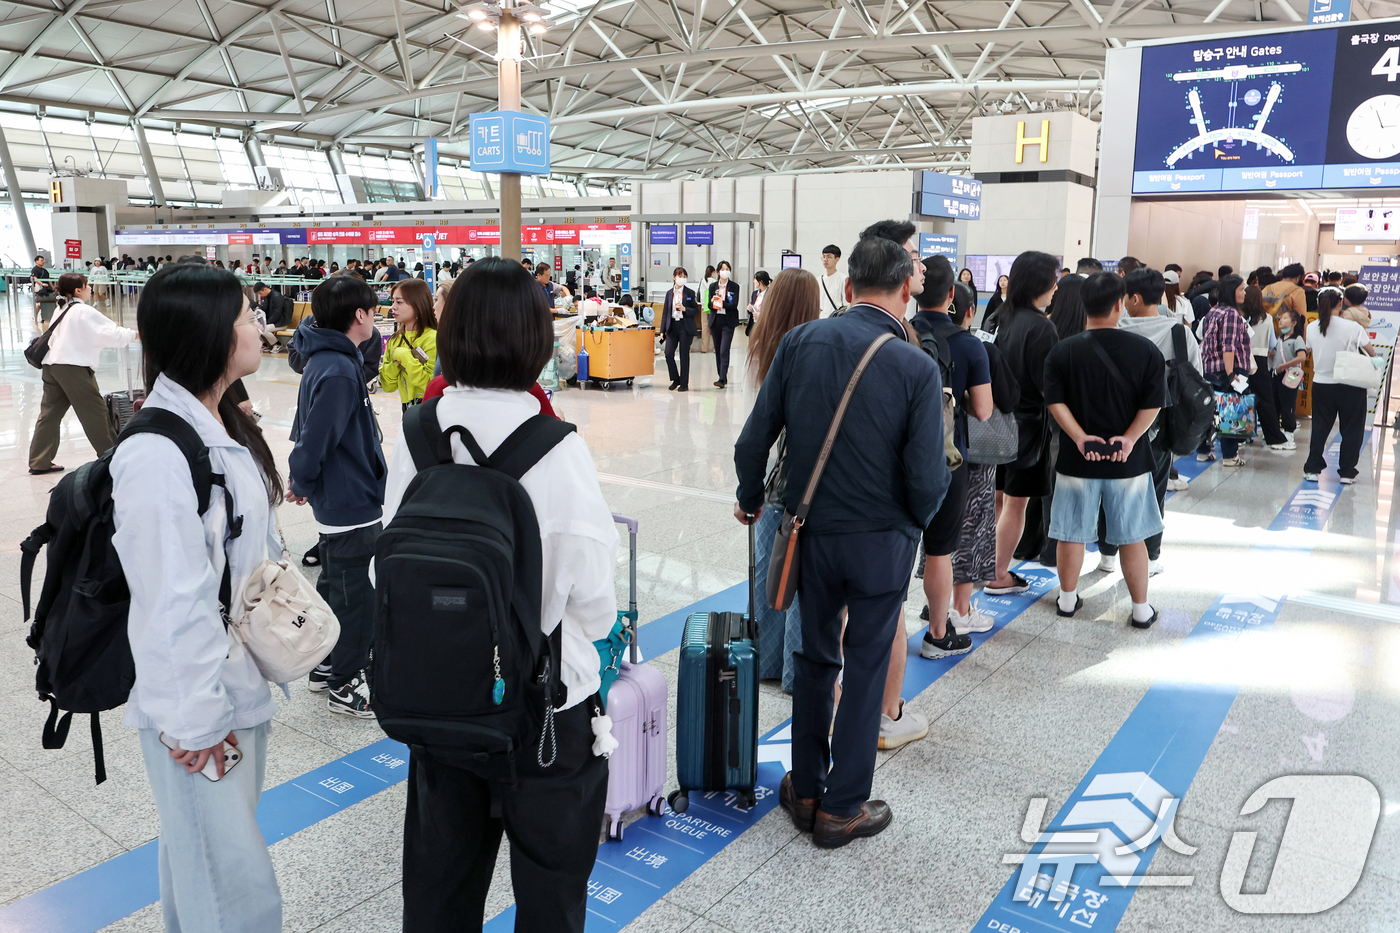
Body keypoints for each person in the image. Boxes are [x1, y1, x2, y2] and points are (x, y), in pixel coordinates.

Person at [389, 256, 617, 933]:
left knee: (438, 892)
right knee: (550, 894)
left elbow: (387, 570)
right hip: (541, 715)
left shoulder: (416, 431)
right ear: (534, 338)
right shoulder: (555, 446)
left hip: (439, 704)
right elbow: (596, 600)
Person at [734, 233, 947, 848]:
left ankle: (805, 790)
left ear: (848, 288)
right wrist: (910, 525)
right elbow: (928, 477)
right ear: (906, 290)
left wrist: (752, 500)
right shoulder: (916, 366)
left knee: (815, 657)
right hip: (881, 543)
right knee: (866, 664)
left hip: (810, 533)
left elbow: (754, 440)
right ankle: (842, 807)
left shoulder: (801, 342)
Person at [111, 262, 284, 933]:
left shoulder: (216, 419)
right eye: (246, 315)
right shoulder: (157, 451)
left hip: (232, 686)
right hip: (198, 710)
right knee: (233, 890)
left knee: (201, 867)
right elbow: (170, 599)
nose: (258, 326)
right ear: (209, 332)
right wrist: (197, 722)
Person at [286, 275, 387, 715]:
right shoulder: (341, 369)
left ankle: (326, 664)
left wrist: (306, 480)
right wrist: (302, 479)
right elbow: (317, 436)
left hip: (339, 493)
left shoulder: (324, 359)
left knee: (333, 583)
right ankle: (346, 683)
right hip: (349, 498)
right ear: (359, 316)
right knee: (354, 595)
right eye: (373, 309)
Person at [1044, 272, 1164, 628]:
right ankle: (1141, 609)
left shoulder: (1062, 351)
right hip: (1129, 461)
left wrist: (1080, 437)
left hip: (1076, 458)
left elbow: (1055, 403)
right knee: (1132, 535)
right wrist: (1128, 438)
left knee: (1071, 531)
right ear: (1118, 305)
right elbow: (1153, 404)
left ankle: (1067, 601)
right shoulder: (1145, 350)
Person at [910, 257, 993, 672]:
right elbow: (982, 410)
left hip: (895, 459)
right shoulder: (969, 343)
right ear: (951, 298)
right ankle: (938, 634)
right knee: (940, 549)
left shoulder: (898, 332)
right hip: (947, 457)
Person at [746, 267, 821, 694]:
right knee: (802, 583)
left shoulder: (763, 348)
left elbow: (753, 429)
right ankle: (796, 674)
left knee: (770, 578)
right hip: (804, 482)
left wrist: (748, 490)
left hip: (772, 482)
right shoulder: (813, 350)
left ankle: (765, 664)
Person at [1104, 267, 1202, 575]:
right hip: (1160, 424)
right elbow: (1195, 376)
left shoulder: (1112, 330)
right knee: (1155, 490)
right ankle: (1152, 555)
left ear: (1132, 298)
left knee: (1110, 488)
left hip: (1114, 421)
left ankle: (1108, 553)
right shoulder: (1178, 332)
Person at [985, 252, 1061, 596]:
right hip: (1027, 427)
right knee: (1017, 504)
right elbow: (1049, 388)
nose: (1055, 287)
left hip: (992, 421)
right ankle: (999, 574)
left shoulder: (999, 318)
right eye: (1052, 280)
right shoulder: (1042, 327)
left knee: (998, 501)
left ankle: (988, 563)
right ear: (1038, 283)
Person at [948, 281, 1016, 635]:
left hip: (926, 452)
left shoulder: (911, 339)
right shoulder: (977, 348)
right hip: (970, 453)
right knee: (971, 528)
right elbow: (995, 403)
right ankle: (960, 610)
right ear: (970, 311)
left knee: (936, 533)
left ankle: (936, 600)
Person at [27, 272, 137, 475]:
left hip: (52, 365)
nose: (91, 289)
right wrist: (135, 334)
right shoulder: (83, 311)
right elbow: (110, 333)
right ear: (78, 290)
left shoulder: (61, 308)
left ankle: (39, 460)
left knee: (49, 414)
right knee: (95, 413)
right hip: (73, 368)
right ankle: (112, 456)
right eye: (87, 286)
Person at [1304, 288, 1375, 485]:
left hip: (1321, 385)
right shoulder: (1352, 328)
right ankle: (1346, 471)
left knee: (1319, 426)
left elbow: (1308, 348)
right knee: (1352, 428)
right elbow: (1371, 352)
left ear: (1319, 303)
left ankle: (1312, 469)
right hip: (1350, 385)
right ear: (1341, 302)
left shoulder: (1311, 328)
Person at [1196, 275, 1252, 467]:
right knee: (1231, 410)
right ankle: (1230, 455)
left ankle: (1203, 451)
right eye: (1241, 290)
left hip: (1209, 368)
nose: (1244, 293)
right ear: (1231, 292)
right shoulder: (1231, 314)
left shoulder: (1214, 311)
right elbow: (1228, 346)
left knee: (1209, 411)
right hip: (1228, 370)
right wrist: (1231, 374)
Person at [1242, 284, 1288, 450]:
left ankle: (1241, 434)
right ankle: (1273, 437)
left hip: (1240, 359)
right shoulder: (1267, 318)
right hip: (1260, 360)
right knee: (1265, 399)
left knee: (1241, 396)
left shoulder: (1238, 316)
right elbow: (1272, 343)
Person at [381, 278, 439, 409]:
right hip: (407, 410)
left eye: (399, 302)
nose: (393, 307)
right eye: (393, 301)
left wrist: (404, 357)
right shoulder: (395, 340)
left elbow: (430, 384)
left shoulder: (433, 338)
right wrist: (395, 365)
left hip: (430, 409)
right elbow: (388, 386)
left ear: (418, 304)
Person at [660, 266, 700, 391]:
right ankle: (675, 378)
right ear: (674, 277)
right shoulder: (669, 293)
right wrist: (662, 330)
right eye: (680, 276)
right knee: (668, 353)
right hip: (672, 326)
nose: (682, 279)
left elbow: (695, 310)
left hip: (685, 326)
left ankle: (684, 383)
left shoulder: (689, 293)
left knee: (684, 355)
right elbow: (665, 312)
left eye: (684, 277)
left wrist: (685, 309)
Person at [1273, 308, 1306, 451]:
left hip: (1291, 374)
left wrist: (1284, 365)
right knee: (1276, 403)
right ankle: (1277, 432)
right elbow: (1275, 355)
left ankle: (1289, 433)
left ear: (1293, 323)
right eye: (1281, 318)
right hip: (1277, 374)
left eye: (1285, 318)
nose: (1281, 320)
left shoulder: (1297, 339)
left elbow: (1301, 357)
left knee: (1288, 403)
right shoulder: (1279, 339)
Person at [706, 259, 741, 388]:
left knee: (723, 350)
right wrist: (713, 301)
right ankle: (722, 375)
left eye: (727, 269)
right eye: (723, 269)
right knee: (717, 350)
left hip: (728, 321)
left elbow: (733, 304)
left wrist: (721, 302)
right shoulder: (713, 286)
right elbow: (709, 305)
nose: (725, 271)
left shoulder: (734, 286)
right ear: (718, 272)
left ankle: (721, 378)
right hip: (716, 321)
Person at [819, 245, 848, 317]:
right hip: (819, 320)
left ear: (837, 259)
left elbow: (846, 305)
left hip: (835, 320)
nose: (825, 259)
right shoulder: (818, 280)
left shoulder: (843, 279)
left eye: (829, 257)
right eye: (824, 256)